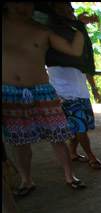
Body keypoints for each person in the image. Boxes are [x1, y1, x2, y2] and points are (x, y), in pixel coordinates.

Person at [2, 2, 88, 196]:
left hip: (41, 89)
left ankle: (69, 175)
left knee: (57, 135)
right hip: (9, 91)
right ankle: (26, 180)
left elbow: (74, 50)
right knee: (19, 139)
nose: (22, 7)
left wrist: (80, 27)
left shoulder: (42, 31)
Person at [47, 2, 101, 169]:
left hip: (79, 88)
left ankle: (72, 151)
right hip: (64, 90)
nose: (66, 15)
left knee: (78, 125)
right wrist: (80, 25)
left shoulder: (76, 36)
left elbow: (85, 66)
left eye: (69, 11)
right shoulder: (52, 35)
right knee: (80, 126)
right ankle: (91, 155)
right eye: (61, 11)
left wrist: (94, 89)